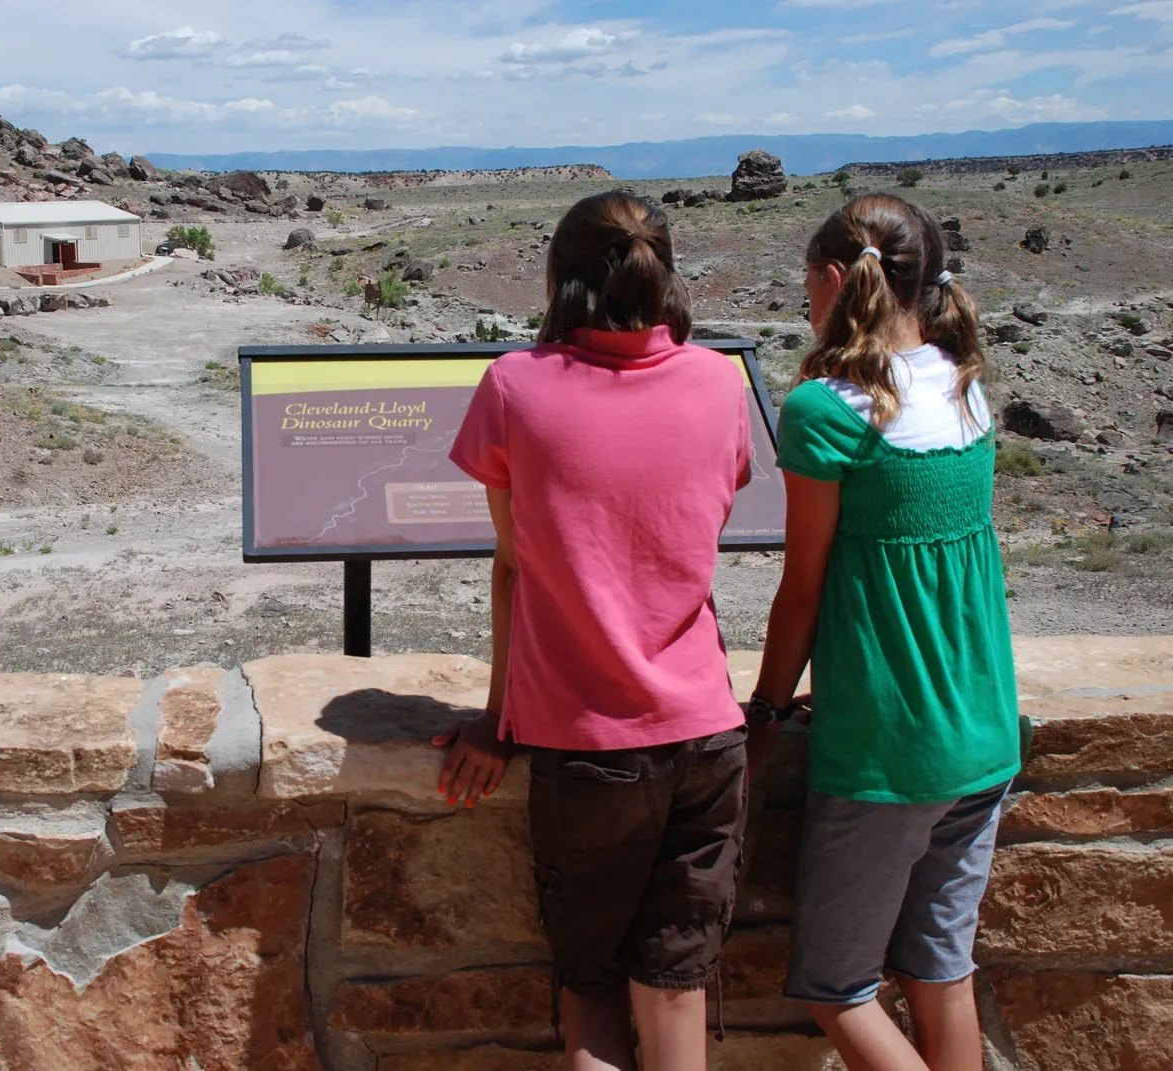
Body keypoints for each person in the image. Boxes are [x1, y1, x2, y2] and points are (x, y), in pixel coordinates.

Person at [434, 191, 752, 1071]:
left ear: (560, 278)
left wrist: (496, 720)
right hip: (707, 734)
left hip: (588, 749)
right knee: (677, 988)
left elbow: (515, 565)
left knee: (594, 988)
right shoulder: (720, 381)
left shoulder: (514, 385)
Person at [746, 193, 1021, 1071]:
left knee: (837, 987)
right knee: (940, 970)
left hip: (887, 750)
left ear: (835, 279)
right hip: (982, 733)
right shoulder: (965, 384)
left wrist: (765, 709)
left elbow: (803, 588)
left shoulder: (826, 410)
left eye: (807, 283)